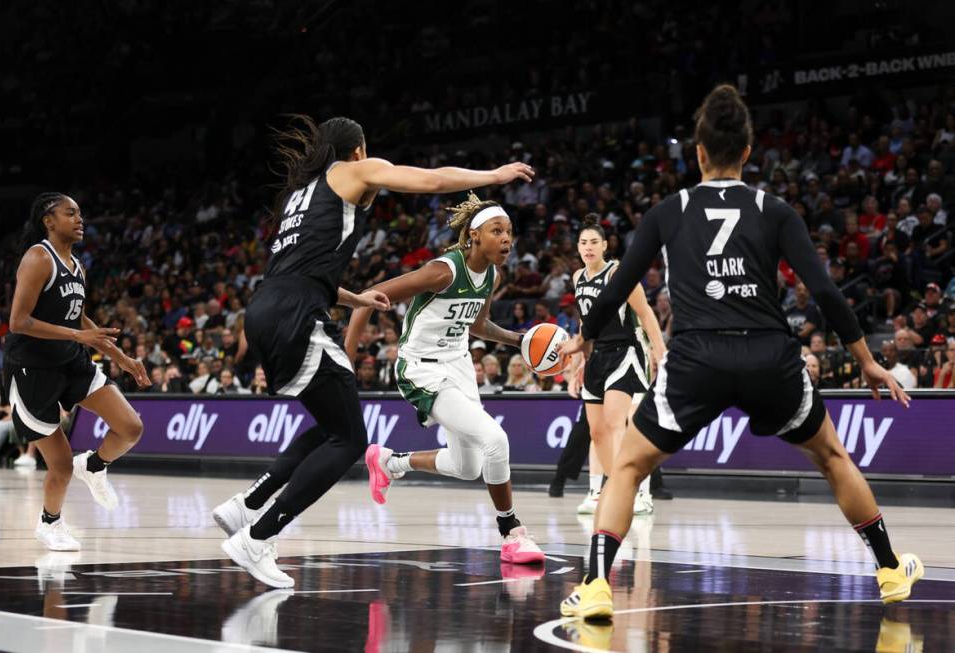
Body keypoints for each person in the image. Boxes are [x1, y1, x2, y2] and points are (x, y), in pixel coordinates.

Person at [559, 85, 920, 619]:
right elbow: (824, 291)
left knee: (628, 468)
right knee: (832, 457)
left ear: (698, 152)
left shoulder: (668, 210)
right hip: (769, 357)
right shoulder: (774, 210)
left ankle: (595, 586)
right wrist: (866, 359)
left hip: (696, 358)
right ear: (748, 152)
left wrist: (582, 338)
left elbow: (615, 291)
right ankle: (890, 570)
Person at [210, 115, 535, 589]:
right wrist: (495, 175)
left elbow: (301, 270)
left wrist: (354, 299)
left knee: (333, 427)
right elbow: (431, 180)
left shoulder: (302, 197)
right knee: (348, 441)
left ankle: (249, 505)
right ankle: (257, 537)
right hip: (301, 317)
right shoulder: (351, 171)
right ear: (358, 149)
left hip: (266, 309)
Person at [345, 193, 545, 565]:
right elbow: (370, 298)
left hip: (458, 363)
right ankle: (512, 532)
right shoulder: (444, 272)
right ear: (473, 235)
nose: (506, 239)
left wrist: (521, 340)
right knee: (495, 440)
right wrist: (348, 357)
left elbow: (479, 324)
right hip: (421, 366)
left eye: (509, 232)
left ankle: (390, 462)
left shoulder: (492, 274)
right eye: (496, 231)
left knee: (468, 467)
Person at [4, 193, 149, 551]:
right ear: (48, 221)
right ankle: (49, 523)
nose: (79, 219)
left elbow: (80, 320)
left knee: (131, 427)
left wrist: (124, 359)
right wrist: (77, 335)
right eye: (71, 213)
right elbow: (18, 322)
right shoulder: (38, 258)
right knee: (61, 466)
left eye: (80, 213)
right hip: (32, 369)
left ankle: (96, 465)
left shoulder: (78, 266)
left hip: (70, 361)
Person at [567, 215, 666, 516]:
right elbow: (586, 325)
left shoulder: (618, 273)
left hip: (627, 350)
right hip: (598, 355)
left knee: (616, 423)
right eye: (583, 242)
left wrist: (661, 354)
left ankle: (637, 493)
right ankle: (607, 490)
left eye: (594, 242)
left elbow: (646, 314)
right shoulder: (577, 278)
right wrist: (578, 365)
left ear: (605, 245)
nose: (588, 247)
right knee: (596, 433)